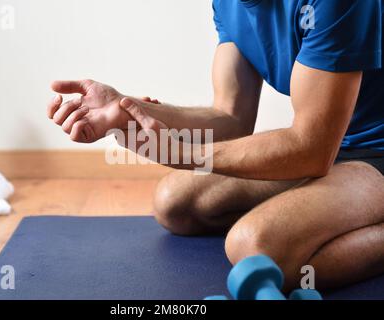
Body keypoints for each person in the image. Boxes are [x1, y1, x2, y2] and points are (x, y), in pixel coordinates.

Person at [47, 0, 384, 291]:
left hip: (368, 154)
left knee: (255, 249)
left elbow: (310, 149)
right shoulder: (229, 4)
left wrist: (181, 153)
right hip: (331, 147)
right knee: (174, 203)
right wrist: (125, 109)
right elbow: (230, 117)